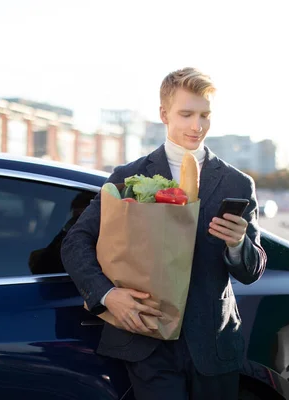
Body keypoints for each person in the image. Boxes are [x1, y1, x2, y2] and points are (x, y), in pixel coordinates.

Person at [61, 67, 267, 400]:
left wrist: (238, 244)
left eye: (204, 115)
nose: (196, 126)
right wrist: (107, 295)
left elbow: (252, 270)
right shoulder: (128, 176)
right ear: (163, 114)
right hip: (146, 344)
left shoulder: (237, 183)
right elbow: (75, 243)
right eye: (186, 114)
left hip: (214, 346)